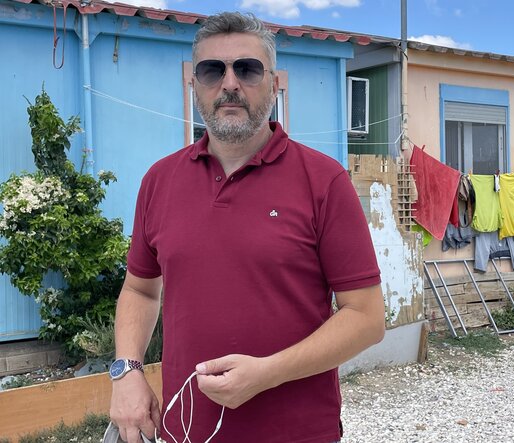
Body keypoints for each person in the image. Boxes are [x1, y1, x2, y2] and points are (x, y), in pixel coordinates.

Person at [109, 11, 385, 443]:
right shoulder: (159, 181)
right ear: (194, 85)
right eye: (212, 70)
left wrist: (268, 373)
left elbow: (366, 318)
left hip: (297, 432)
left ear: (274, 84)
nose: (230, 83)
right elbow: (140, 289)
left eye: (248, 68)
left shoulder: (323, 181)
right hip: (186, 431)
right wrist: (126, 370)